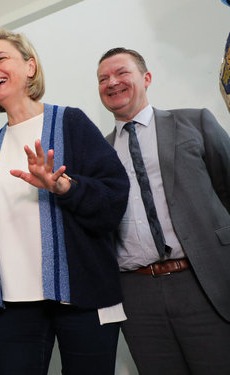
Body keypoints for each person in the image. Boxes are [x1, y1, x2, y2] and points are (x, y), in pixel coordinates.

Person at [0, 27, 130, 375]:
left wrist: (64, 187)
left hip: (82, 297)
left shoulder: (71, 122)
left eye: (0, 59)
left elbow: (114, 197)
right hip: (14, 304)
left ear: (30, 67)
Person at [97, 47, 230, 374]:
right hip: (137, 294)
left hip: (202, 282)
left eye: (121, 73)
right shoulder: (98, 153)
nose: (112, 82)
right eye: (103, 79)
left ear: (146, 77)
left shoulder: (194, 121)